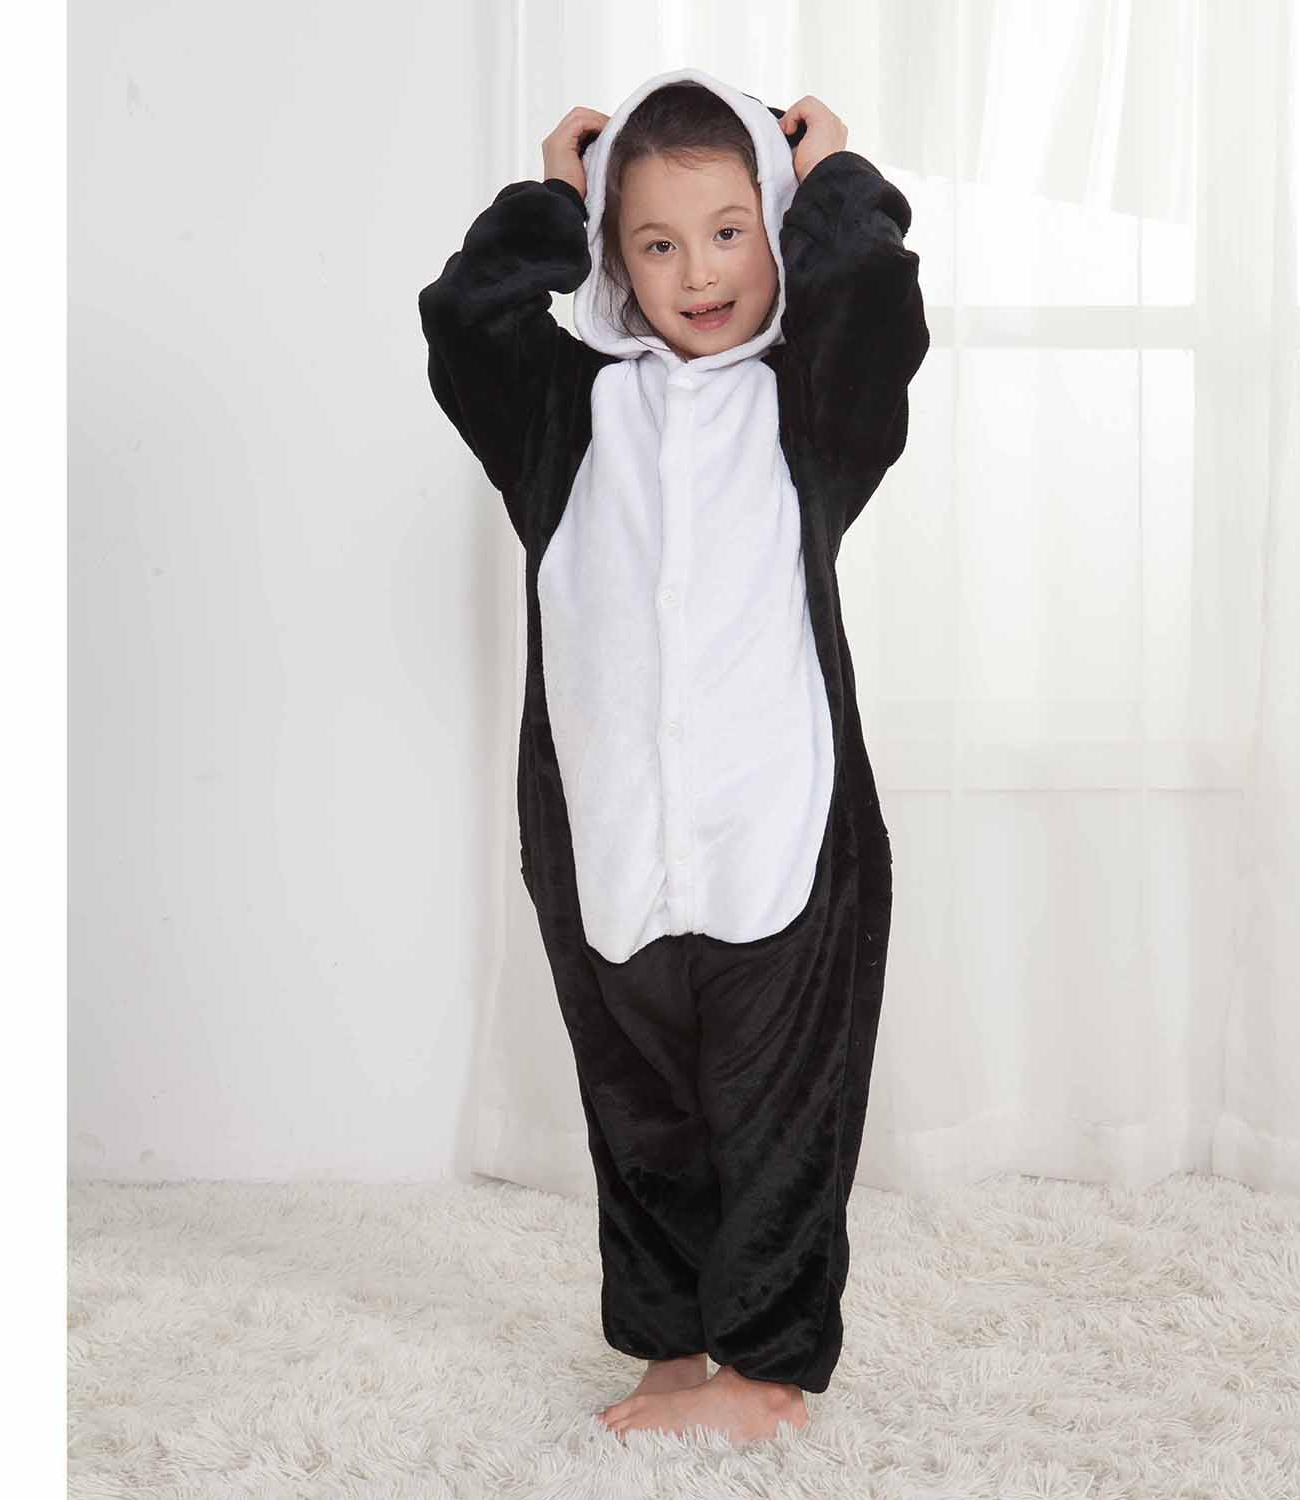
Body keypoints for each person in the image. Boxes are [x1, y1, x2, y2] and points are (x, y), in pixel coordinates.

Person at [417, 66, 928, 1444]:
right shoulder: (563, 413)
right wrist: (550, 197)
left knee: (778, 1114)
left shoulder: (812, 409)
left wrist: (833, 182)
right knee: (638, 1111)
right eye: (654, 242)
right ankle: (669, 1344)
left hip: (781, 831)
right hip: (609, 835)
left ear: (775, 228)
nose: (698, 273)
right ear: (611, 255)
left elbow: (879, 309)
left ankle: (766, 1367)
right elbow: (464, 321)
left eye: (729, 230)